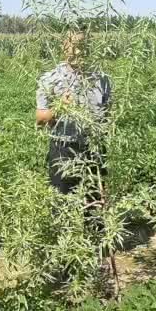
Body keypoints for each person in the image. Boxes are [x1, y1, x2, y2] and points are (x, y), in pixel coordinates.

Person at [36, 32, 112, 202]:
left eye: (84, 47)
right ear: (65, 47)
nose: (79, 52)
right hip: (63, 149)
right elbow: (40, 119)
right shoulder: (51, 79)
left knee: (95, 209)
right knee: (63, 207)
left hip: (94, 149)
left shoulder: (102, 79)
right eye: (75, 46)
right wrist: (59, 107)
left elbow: (108, 116)